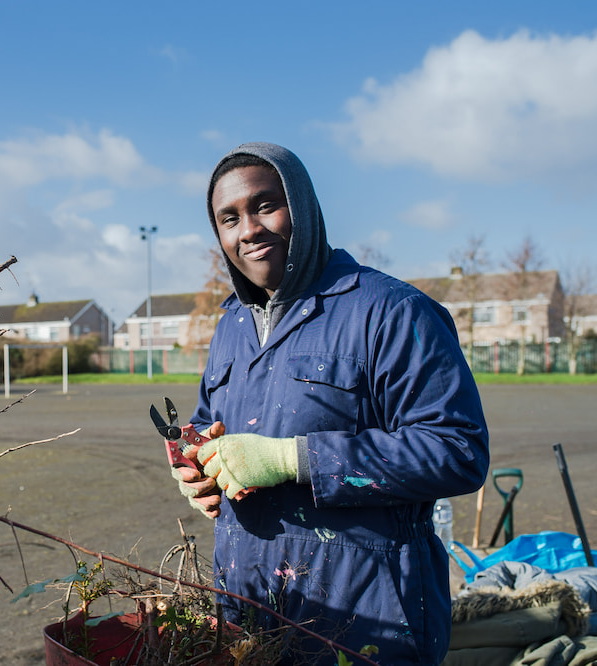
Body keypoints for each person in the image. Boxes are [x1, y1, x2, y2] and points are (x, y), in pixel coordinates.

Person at [170, 142, 489, 664]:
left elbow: (457, 451)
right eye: (229, 219)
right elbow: (212, 424)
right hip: (250, 611)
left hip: (367, 620)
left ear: (304, 206)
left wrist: (291, 459)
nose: (248, 229)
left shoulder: (392, 312)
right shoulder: (231, 326)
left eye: (265, 206)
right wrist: (201, 468)